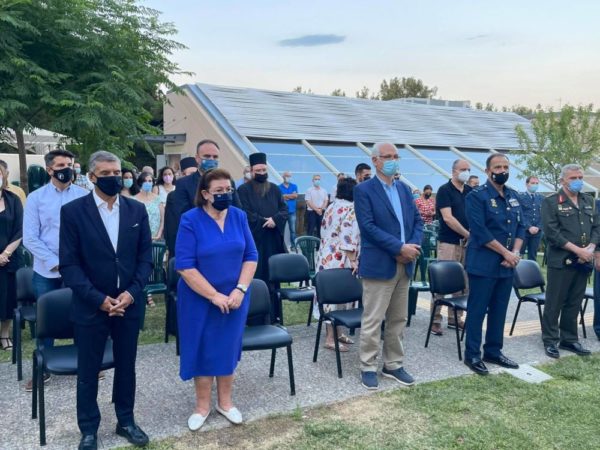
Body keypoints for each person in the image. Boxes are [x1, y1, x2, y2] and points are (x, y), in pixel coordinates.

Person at [60, 151, 152, 450]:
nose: (114, 178)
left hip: (128, 305)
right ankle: (88, 429)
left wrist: (131, 293)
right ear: (91, 177)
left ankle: (126, 421)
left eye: (117, 172)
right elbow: (69, 265)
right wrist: (98, 299)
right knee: (88, 371)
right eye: (106, 173)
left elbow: (144, 259)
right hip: (91, 306)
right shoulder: (73, 212)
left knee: (126, 366)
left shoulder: (136, 210)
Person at [176, 168, 258, 431]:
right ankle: (202, 406)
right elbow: (185, 265)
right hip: (199, 299)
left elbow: (251, 256)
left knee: (227, 347)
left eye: (228, 190)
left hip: (235, 297)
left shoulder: (239, 216)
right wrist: (213, 295)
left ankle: (225, 402)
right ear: (205, 194)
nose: (225, 194)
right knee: (202, 349)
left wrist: (240, 289)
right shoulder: (190, 219)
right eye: (219, 191)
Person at [354, 142, 423, 390]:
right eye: (387, 156)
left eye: (396, 156)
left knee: (398, 318)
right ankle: (368, 366)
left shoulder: (404, 189)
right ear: (375, 160)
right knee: (373, 319)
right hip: (380, 264)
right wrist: (398, 248)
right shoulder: (363, 190)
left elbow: (418, 222)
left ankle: (393, 364)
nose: (393, 160)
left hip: (405, 264)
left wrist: (411, 247)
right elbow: (368, 227)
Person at [23, 149, 88, 391]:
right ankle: (42, 369)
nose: (67, 169)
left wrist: (74, 262)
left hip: (78, 269)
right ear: (49, 169)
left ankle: (86, 362)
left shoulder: (84, 195)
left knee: (81, 314)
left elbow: (89, 232)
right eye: (61, 165)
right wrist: (56, 262)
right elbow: (30, 237)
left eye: (70, 164)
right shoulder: (36, 198)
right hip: (47, 270)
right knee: (46, 319)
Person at [463, 153, 524, 375]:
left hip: (506, 265)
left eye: (506, 167)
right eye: (498, 167)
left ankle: (493, 351)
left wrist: (514, 253)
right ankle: (472, 355)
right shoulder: (476, 196)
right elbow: (479, 231)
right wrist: (506, 253)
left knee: (499, 310)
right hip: (483, 263)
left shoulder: (513, 195)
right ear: (488, 171)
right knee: (477, 310)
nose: (502, 171)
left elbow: (521, 226)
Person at [541, 164, 599, 359]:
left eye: (580, 177)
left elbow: (597, 227)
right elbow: (552, 233)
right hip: (562, 260)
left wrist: (590, 248)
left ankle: (569, 338)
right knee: (554, 302)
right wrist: (578, 250)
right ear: (562, 180)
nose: (578, 181)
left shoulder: (588, 200)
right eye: (573, 178)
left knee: (574, 301)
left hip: (583, 261)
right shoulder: (551, 202)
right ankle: (550, 340)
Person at [164, 139, 240, 256]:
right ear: (197, 158)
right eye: (207, 156)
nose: (211, 160)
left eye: (215, 157)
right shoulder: (184, 184)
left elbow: (236, 210)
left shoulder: (228, 183)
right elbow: (183, 215)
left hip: (225, 242)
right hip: (197, 244)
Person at [316, 177, 360, 352]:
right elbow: (349, 236)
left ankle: (338, 333)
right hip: (341, 256)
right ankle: (330, 338)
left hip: (325, 255)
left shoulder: (331, 206)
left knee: (332, 297)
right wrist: (353, 260)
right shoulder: (352, 208)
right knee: (339, 297)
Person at [431, 160, 472, 335]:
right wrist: (467, 234)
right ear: (454, 171)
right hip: (449, 242)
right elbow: (448, 218)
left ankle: (455, 318)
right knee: (443, 281)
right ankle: (435, 320)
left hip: (467, 245)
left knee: (462, 284)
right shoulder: (444, 190)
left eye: (468, 169)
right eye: (463, 169)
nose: (466, 172)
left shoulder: (470, 191)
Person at [237, 152, 287, 285]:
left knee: (274, 274)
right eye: (258, 171)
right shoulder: (243, 190)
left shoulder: (275, 189)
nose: (262, 173)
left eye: (264, 170)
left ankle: (275, 297)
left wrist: (274, 220)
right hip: (255, 239)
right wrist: (264, 222)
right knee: (257, 273)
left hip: (273, 238)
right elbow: (244, 212)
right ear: (251, 171)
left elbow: (284, 209)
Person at [0, 164, 23, 351]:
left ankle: (4, 335)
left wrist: (5, 253)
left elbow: (20, 229)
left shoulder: (13, 200)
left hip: (8, 259)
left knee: (7, 298)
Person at [519, 176, 544, 261]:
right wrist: (529, 227)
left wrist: (538, 227)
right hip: (523, 231)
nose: (535, 185)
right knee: (519, 255)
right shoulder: (520, 197)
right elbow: (519, 214)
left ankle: (531, 269)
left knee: (533, 256)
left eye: (537, 183)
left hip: (537, 232)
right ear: (527, 184)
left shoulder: (541, 198)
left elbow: (544, 214)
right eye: (532, 183)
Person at [135, 173, 164, 241]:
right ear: (140, 182)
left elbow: (162, 219)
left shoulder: (158, 199)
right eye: (145, 181)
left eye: (150, 181)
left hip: (155, 238)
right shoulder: (133, 199)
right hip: (138, 239)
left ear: (153, 183)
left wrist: (159, 234)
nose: (147, 183)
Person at [278, 171, 298, 251]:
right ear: (283, 177)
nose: (288, 177)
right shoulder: (279, 187)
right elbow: (280, 198)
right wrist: (290, 196)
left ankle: (293, 246)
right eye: (287, 176)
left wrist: (285, 196)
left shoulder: (294, 186)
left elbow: (295, 196)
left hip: (292, 212)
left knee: (293, 230)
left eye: (289, 176)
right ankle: (281, 247)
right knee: (281, 230)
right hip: (282, 212)